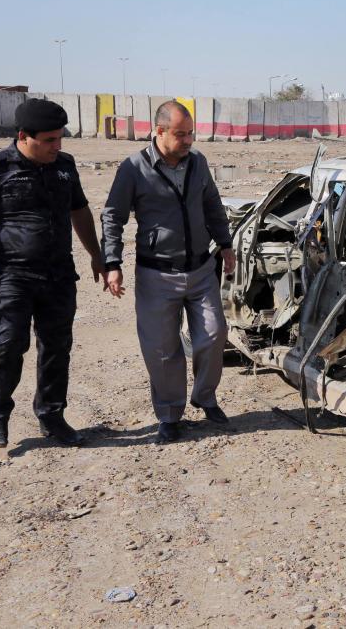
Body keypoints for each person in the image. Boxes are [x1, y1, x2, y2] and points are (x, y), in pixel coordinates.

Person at [0, 98, 106, 448]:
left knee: (57, 346)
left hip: (59, 274)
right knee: (9, 344)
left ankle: (52, 416)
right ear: (24, 136)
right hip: (13, 275)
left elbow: (80, 212)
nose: (58, 146)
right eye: (50, 140)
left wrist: (96, 255)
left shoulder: (65, 167)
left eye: (60, 139)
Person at [101, 100, 235, 444]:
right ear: (158, 131)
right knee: (162, 350)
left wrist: (226, 244)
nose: (189, 140)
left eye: (191, 133)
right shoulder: (133, 168)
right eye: (181, 134)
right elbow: (113, 216)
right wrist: (111, 263)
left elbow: (212, 204)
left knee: (214, 333)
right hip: (156, 275)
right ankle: (170, 414)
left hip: (201, 268)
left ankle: (205, 397)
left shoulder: (198, 163)